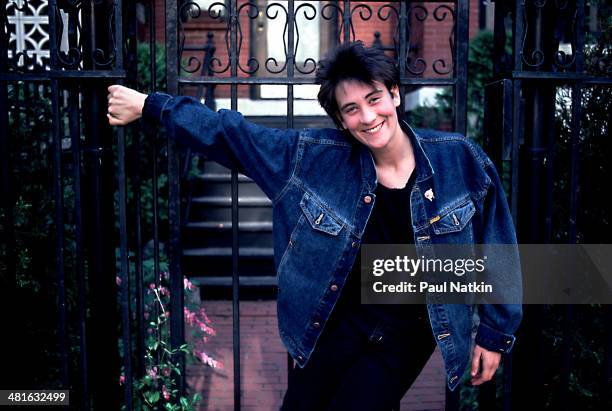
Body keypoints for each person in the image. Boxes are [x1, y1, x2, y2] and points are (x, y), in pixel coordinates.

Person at [107, 41, 522, 410]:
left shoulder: (460, 159)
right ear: (341, 120)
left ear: (394, 94)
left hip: (406, 335)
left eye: (375, 99)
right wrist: (149, 105)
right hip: (332, 325)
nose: (368, 116)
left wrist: (494, 332)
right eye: (352, 109)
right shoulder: (311, 159)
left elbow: (497, 246)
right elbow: (229, 134)